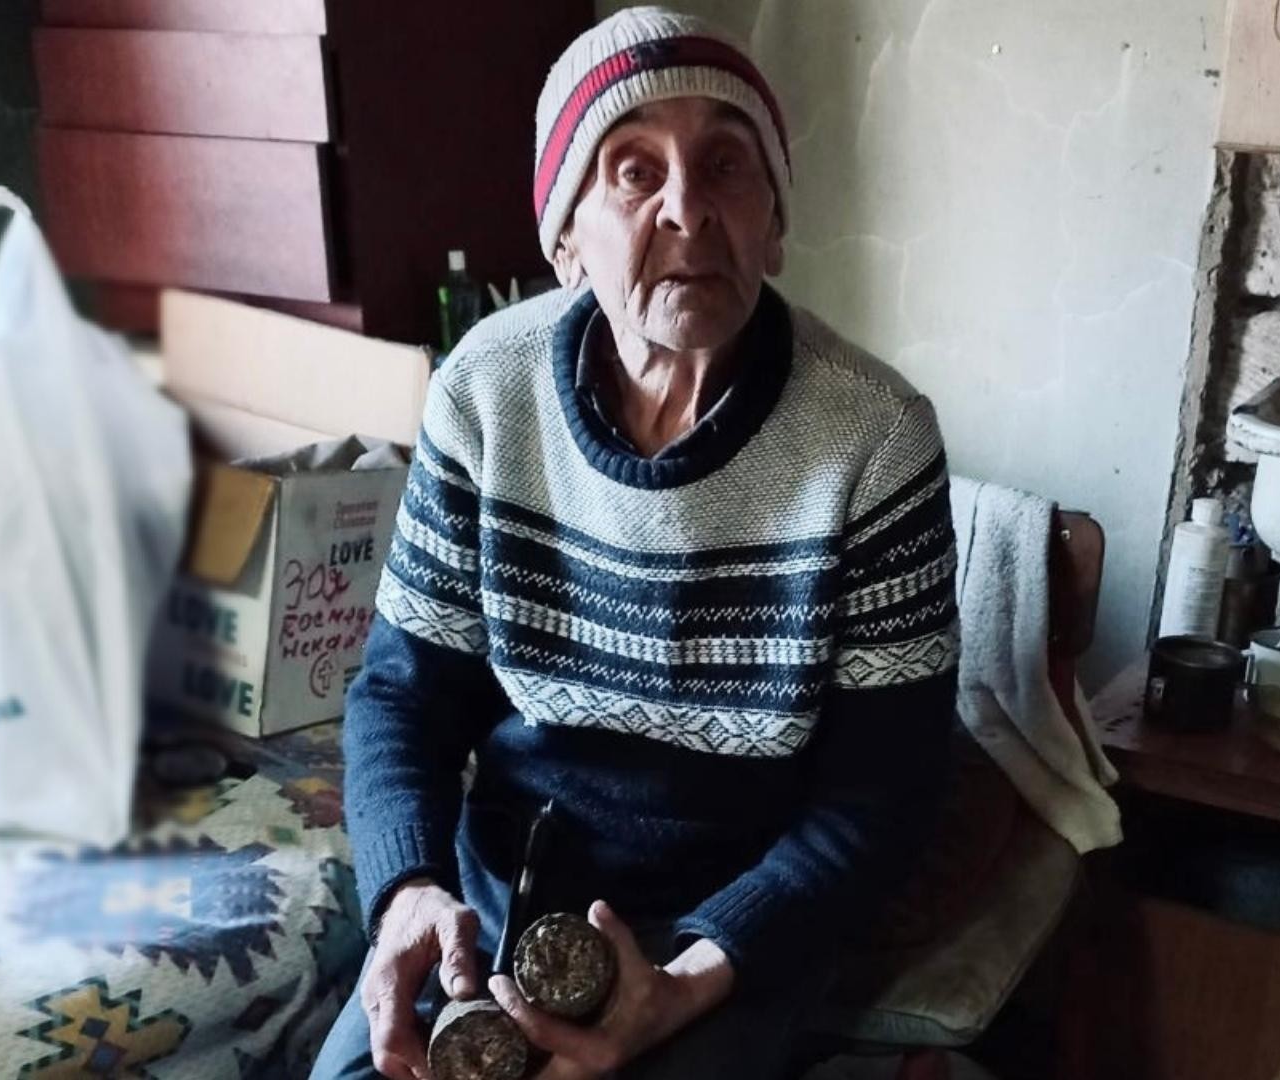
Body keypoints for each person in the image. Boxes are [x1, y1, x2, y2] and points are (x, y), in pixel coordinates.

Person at [312, 8, 960, 1079]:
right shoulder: (485, 390)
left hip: (733, 922)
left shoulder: (874, 440)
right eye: (632, 171)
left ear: (775, 223)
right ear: (565, 237)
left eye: (724, 165)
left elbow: (882, 794)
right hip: (501, 895)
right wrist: (409, 891)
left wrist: (694, 978)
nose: (688, 209)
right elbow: (407, 694)